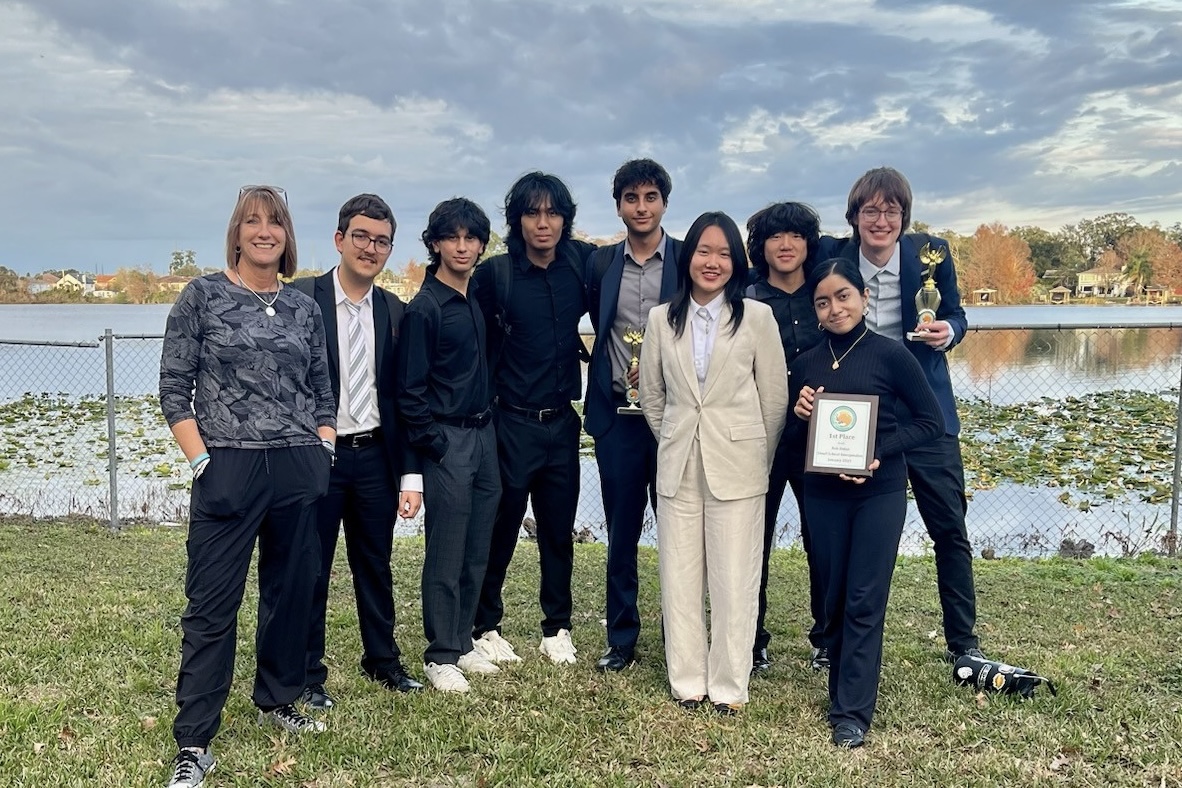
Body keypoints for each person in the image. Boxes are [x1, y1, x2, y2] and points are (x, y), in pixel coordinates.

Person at [159, 185, 335, 788]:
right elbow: (173, 387)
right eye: (253, 222)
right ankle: (194, 741)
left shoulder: (303, 308)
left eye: (276, 222)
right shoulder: (201, 297)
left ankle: (279, 697)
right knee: (212, 606)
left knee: (291, 594)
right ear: (236, 233)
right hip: (227, 466)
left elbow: (320, 386)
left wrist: (324, 446)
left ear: (287, 236)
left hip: (296, 466)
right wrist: (202, 462)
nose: (265, 231)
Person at [818, 166, 984, 664]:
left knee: (949, 529)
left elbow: (956, 313)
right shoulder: (834, 259)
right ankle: (831, 641)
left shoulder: (932, 254)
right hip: (857, 413)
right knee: (842, 532)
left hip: (925, 410)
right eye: (871, 209)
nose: (881, 219)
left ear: (904, 217)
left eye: (891, 210)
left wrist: (949, 332)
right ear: (854, 217)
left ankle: (964, 645)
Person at [790, 257, 944, 747]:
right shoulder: (807, 361)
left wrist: (877, 452)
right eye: (823, 301)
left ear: (864, 298)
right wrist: (798, 413)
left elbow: (930, 422)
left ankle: (851, 712)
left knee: (864, 597)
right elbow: (793, 440)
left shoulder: (891, 354)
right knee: (833, 596)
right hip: (823, 495)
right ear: (815, 311)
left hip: (878, 491)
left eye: (843, 297)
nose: (834, 309)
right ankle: (839, 681)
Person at [638, 211, 788, 714]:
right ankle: (687, 681)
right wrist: (679, 438)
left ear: (736, 263)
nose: (713, 262)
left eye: (724, 253)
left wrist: (753, 455)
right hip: (678, 466)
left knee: (734, 580)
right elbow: (653, 398)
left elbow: (773, 399)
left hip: (740, 465)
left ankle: (728, 686)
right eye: (705, 251)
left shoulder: (757, 318)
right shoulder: (661, 320)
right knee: (679, 578)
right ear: (689, 257)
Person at [292, 194, 424, 709]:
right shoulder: (302, 299)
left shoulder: (396, 311)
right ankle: (307, 672)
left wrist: (410, 475)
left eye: (382, 240)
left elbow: (407, 399)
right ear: (340, 239)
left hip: (375, 457)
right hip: (315, 457)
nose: (371, 248)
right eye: (362, 236)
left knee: (375, 562)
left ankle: (382, 661)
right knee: (311, 565)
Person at [469, 173, 592, 666]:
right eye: (532, 213)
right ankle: (484, 624)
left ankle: (556, 627)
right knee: (500, 527)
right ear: (517, 220)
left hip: (563, 421)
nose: (543, 223)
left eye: (553, 213)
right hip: (510, 421)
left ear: (565, 219)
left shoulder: (580, 266)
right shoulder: (494, 276)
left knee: (559, 530)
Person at [396, 197, 501, 693]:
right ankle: (440, 655)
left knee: (477, 548)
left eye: (471, 237)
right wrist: (435, 446)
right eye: (452, 237)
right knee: (446, 551)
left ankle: (463, 642)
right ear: (435, 243)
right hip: (449, 443)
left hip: (484, 436)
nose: (462, 246)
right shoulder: (425, 308)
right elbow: (409, 393)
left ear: (481, 244)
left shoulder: (473, 298)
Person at [583, 159, 682, 672]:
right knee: (621, 532)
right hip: (618, 419)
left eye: (650, 197)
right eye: (630, 198)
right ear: (618, 204)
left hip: (676, 419)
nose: (640, 207)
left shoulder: (689, 259)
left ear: (664, 202)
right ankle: (621, 639)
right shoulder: (600, 264)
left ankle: (679, 636)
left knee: (678, 530)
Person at [744, 202, 827, 673]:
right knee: (754, 538)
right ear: (762, 245)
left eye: (796, 235)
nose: (786, 244)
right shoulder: (748, 299)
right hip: (762, 438)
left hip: (819, 439)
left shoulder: (825, 295)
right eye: (776, 236)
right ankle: (752, 638)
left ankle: (827, 638)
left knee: (823, 540)